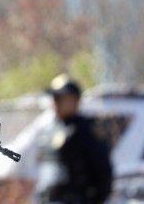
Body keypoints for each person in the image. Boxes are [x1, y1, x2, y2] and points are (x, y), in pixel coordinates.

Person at [44, 75, 112, 204]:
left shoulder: (85, 131)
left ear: (75, 100)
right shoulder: (54, 129)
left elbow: (104, 174)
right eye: (54, 98)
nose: (55, 103)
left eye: (60, 98)